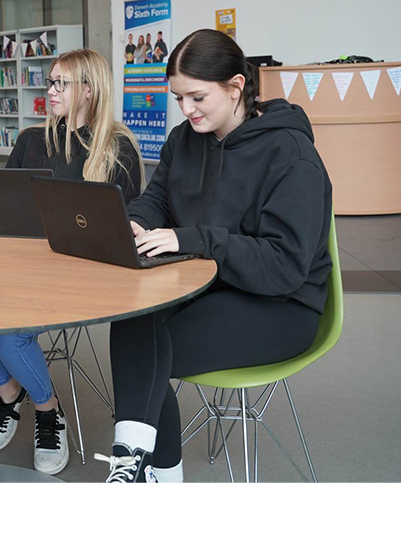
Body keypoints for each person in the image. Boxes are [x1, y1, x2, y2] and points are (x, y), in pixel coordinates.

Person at [94, 29, 331, 483]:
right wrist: (137, 221)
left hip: (282, 304)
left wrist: (193, 239)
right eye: (178, 98)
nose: (186, 109)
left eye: (197, 97)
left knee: (150, 348)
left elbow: (283, 266)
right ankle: (143, 467)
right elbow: (158, 197)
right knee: (134, 319)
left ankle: (144, 469)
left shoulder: (290, 153)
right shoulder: (184, 140)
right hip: (208, 284)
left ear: (236, 86)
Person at [0, 48, 144, 476]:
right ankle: (8, 392)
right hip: (23, 267)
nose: (50, 91)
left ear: (88, 90)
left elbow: (125, 227)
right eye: (50, 82)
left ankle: (47, 409)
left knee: (9, 335)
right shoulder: (31, 140)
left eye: (60, 83)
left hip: (83, 276)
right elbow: (2, 206)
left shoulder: (117, 147)